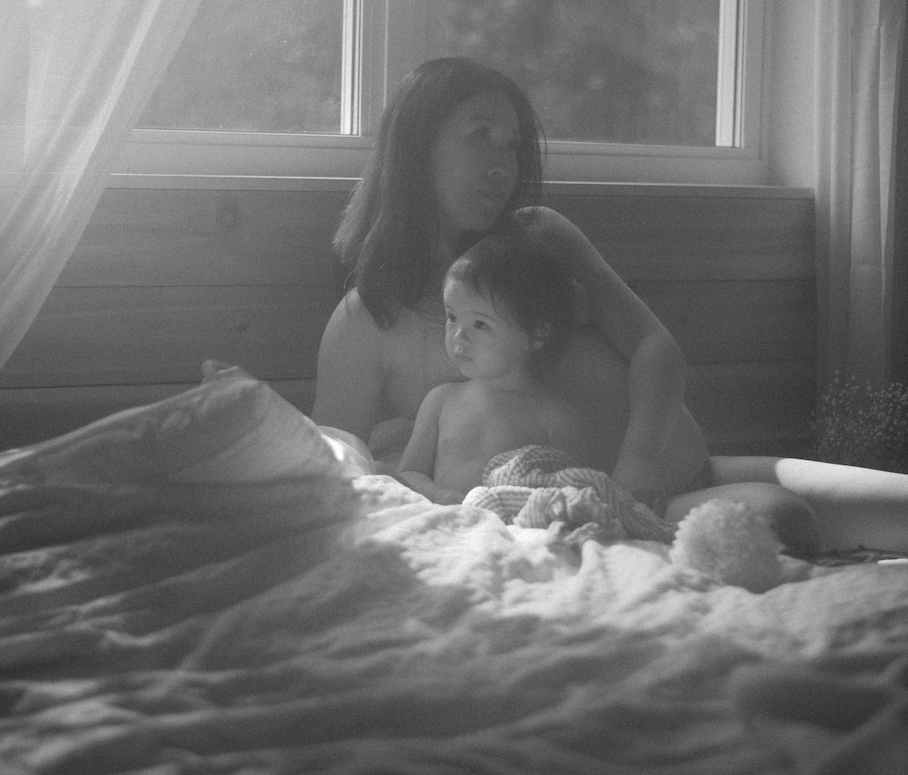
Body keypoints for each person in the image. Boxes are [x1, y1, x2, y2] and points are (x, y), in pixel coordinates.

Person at [313, 56, 908, 556]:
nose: (503, 164)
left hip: (689, 470)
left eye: (512, 146)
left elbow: (654, 347)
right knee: (784, 521)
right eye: (479, 136)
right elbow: (334, 474)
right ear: (417, 149)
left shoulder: (540, 239)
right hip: (630, 516)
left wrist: (639, 461)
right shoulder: (366, 322)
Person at [398, 229, 596, 504]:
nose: (458, 336)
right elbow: (408, 474)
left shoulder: (555, 418)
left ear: (535, 335)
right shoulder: (441, 401)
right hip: (447, 519)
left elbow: (578, 494)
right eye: (452, 317)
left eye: (480, 324)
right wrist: (438, 495)